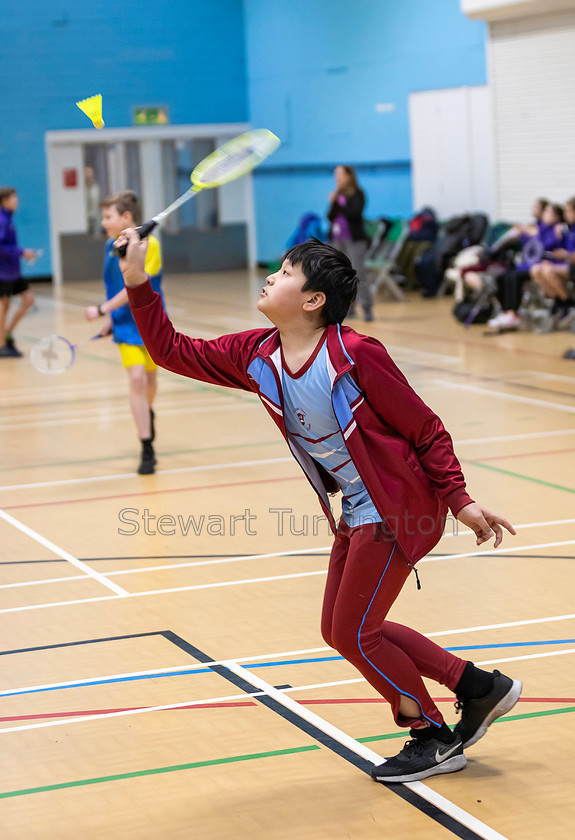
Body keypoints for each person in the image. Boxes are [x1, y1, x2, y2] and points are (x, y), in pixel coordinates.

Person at [118, 230, 521, 784]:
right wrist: (137, 282)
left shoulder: (354, 355)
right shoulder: (257, 353)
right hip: (357, 510)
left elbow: (425, 429)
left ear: (313, 301)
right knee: (343, 630)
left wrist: (460, 500)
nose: (271, 276)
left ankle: (431, 736)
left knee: (356, 631)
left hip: (399, 506)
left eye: (285, 272)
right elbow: (170, 352)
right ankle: (477, 686)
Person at [85, 191, 164, 474]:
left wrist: (102, 309)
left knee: (151, 380)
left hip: (151, 324)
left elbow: (135, 284)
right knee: (137, 378)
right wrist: (111, 317)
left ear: (126, 217)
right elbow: (113, 285)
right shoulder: (110, 245)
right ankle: (147, 447)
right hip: (124, 325)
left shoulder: (149, 245)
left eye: (108, 217)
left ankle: (147, 412)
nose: (104, 222)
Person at [327, 165, 373, 321]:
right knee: (341, 274)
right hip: (337, 238)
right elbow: (330, 217)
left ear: (348, 176)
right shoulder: (337, 194)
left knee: (358, 272)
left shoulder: (358, 194)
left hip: (354, 239)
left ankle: (366, 307)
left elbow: (354, 214)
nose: (337, 177)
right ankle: (349, 307)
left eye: (340, 173)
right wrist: (333, 201)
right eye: (336, 174)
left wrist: (341, 202)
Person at [0, 187, 38, 358]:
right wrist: (21, 252)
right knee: (3, 306)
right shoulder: (1, 220)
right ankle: (2, 346)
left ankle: (7, 333)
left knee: (28, 299)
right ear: (5, 200)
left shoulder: (8, 218)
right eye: (13, 197)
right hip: (3, 272)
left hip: (13, 272)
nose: (17, 200)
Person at [84, 166, 101, 236]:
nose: (89, 175)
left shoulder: (95, 187)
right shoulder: (82, 190)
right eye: (87, 173)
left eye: (91, 173)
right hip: (85, 218)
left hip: (96, 217)